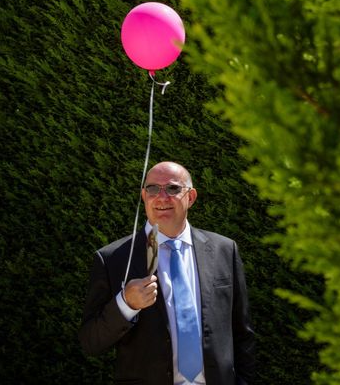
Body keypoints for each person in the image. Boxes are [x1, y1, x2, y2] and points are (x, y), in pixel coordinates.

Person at [79, 161, 255, 384]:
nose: (162, 197)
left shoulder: (224, 250)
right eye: (153, 189)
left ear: (190, 197)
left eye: (173, 189)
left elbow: (243, 333)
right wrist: (125, 304)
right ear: (144, 196)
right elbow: (91, 342)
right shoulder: (113, 259)